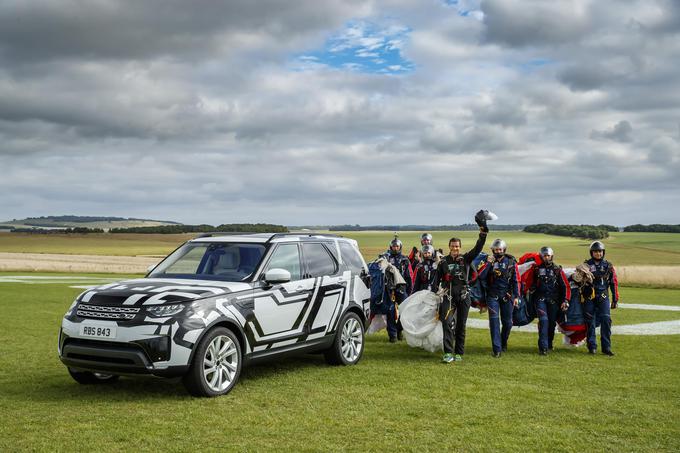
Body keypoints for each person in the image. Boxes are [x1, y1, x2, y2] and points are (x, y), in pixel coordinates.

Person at [435, 219, 488, 363]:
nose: (455, 249)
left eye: (457, 246)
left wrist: (483, 233)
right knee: (446, 322)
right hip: (449, 296)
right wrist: (433, 293)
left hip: (464, 296)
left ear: (460, 247)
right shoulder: (443, 262)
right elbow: (436, 280)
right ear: (449, 247)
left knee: (460, 325)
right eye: (452, 246)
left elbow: (478, 248)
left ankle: (458, 352)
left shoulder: (466, 259)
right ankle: (447, 353)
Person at [482, 238, 520, 358]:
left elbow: (516, 280)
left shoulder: (511, 262)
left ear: (504, 249)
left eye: (500, 249)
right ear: (492, 250)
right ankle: (496, 349)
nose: (498, 251)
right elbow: (481, 276)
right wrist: (488, 263)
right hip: (492, 296)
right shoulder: (488, 262)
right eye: (495, 249)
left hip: (507, 296)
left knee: (508, 323)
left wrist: (516, 296)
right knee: (494, 323)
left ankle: (503, 342)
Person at [529, 247, 570, 355]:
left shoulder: (557, 270)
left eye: (548, 256)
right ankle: (543, 347)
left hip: (553, 301)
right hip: (540, 299)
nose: (546, 257)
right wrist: (532, 288)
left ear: (552, 256)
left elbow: (565, 286)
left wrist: (566, 300)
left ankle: (549, 343)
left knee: (551, 324)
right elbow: (532, 283)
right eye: (544, 256)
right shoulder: (536, 269)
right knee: (543, 321)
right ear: (541, 257)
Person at [583, 241, 619, 356]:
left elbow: (613, 282)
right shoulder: (586, 265)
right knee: (590, 321)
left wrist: (615, 299)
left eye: (600, 251)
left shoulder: (609, 266)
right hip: (589, 296)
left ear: (603, 252)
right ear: (591, 252)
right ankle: (592, 346)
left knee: (606, 320)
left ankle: (606, 347)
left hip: (603, 296)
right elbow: (578, 280)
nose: (598, 253)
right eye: (595, 251)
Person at [383, 236, 413, 341]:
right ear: (390, 247)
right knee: (390, 311)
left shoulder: (405, 259)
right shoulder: (385, 258)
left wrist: (410, 291)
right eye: (393, 246)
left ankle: (399, 329)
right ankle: (393, 335)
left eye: (397, 246)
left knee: (404, 310)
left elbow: (409, 276)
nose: (395, 248)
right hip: (389, 289)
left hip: (402, 288)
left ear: (400, 247)